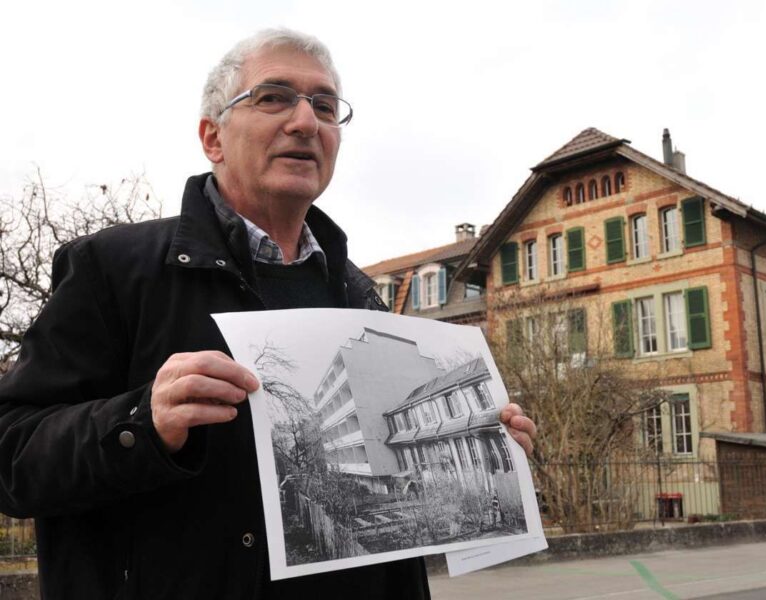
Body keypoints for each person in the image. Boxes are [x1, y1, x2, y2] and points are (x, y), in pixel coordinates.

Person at [0, 28, 536, 599]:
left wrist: (497, 453)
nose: (306, 121)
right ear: (213, 138)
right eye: (274, 97)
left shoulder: (360, 296)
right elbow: (12, 456)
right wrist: (141, 423)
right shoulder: (114, 269)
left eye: (325, 106)